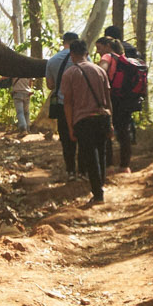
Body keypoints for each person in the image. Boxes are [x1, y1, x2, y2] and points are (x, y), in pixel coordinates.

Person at [59, 35, 113, 205]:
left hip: (84, 120)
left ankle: (98, 194)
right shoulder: (100, 71)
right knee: (101, 152)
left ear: (72, 55)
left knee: (90, 155)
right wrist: (110, 120)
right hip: (102, 117)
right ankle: (100, 186)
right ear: (87, 53)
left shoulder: (70, 73)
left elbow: (67, 103)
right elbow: (107, 98)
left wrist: (70, 126)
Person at [100, 36, 145, 172]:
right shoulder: (126, 59)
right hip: (127, 99)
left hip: (112, 98)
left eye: (99, 48)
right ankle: (125, 166)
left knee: (106, 130)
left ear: (108, 46)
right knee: (124, 132)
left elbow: (101, 71)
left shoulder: (108, 56)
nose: (98, 51)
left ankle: (109, 165)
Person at [43, 32, 77, 174]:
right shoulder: (83, 58)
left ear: (63, 42)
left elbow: (50, 85)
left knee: (66, 140)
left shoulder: (52, 60)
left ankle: (71, 171)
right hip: (81, 105)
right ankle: (84, 170)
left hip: (62, 105)